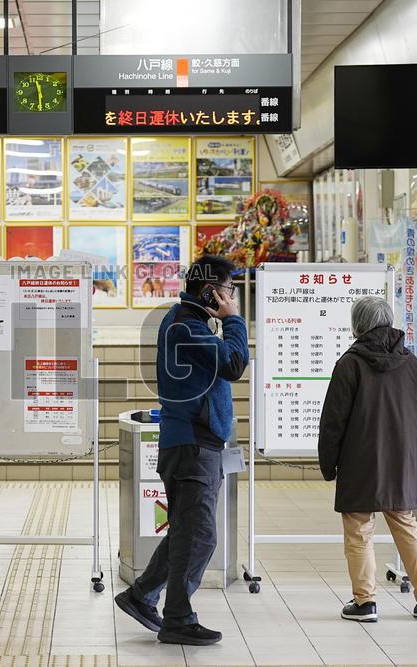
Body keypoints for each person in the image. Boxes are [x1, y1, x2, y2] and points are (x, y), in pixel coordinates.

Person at [115, 254, 249, 646]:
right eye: (227, 290)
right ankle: (177, 618)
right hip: (192, 445)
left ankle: (141, 596)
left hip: (195, 443)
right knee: (201, 537)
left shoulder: (188, 322)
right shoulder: (185, 327)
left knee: (188, 533)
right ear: (210, 291)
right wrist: (235, 319)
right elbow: (234, 363)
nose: (231, 297)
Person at [318, 296, 417, 623]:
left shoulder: (350, 364)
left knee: (359, 529)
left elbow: (333, 422)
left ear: (357, 325)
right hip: (401, 461)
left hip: (360, 461)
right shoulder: (411, 362)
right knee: (406, 524)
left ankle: (365, 602)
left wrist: (328, 465)